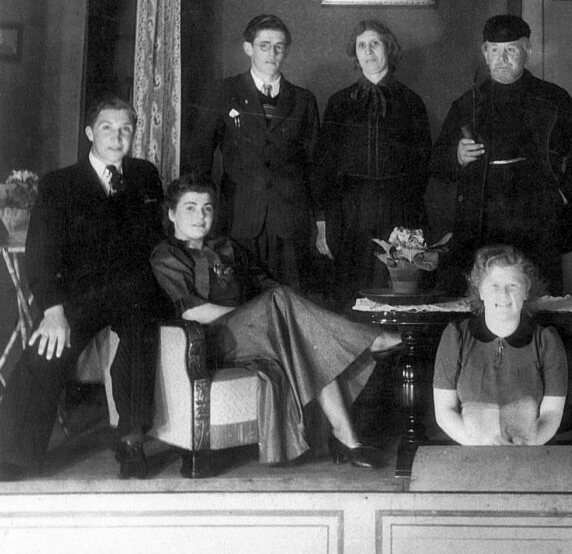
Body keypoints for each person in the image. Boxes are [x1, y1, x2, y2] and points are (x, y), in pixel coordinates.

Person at [150, 174, 402, 468]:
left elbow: (266, 284)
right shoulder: (166, 254)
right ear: (172, 214)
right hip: (212, 340)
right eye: (190, 208)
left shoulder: (226, 247)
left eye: (207, 208)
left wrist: (278, 315)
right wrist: (257, 314)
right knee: (281, 306)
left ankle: (348, 438)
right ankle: (372, 340)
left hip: (256, 332)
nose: (200, 216)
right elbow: (192, 312)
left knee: (304, 334)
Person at [0, 96, 168, 481]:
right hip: (79, 292)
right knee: (46, 348)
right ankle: (12, 454)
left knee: (141, 334)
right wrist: (53, 311)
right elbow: (41, 253)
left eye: (125, 129)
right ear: (90, 132)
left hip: (133, 288)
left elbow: (155, 240)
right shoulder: (60, 183)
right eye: (107, 128)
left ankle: (131, 440)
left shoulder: (145, 175)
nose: (117, 137)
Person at [430, 14, 572, 293]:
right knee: (483, 299)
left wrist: (564, 194)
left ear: (527, 49)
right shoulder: (466, 105)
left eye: (511, 49)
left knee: (538, 298)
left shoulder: (553, 99)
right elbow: (437, 165)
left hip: (536, 220)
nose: (502, 58)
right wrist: (457, 156)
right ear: (485, 53)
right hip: (482, 223)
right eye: (495, 50)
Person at [185, 14, 320, 290]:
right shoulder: (224, 91)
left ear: (286, 51)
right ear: (248, 48)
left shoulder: (303, 100)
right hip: (239, 218)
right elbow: (200, 156)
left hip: (289, 223)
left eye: (279, 47)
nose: (272, 53)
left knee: (290, 299)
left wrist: (320, 220)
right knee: (242, 298)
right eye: (264, 45)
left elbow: (315, 165)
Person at [315, 20, 431, 304]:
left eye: (375, 44)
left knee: (395, 291)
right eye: (361, 46)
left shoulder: (411, 102)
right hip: (350, 215)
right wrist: (324, 223)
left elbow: (422, 165)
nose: (368, 52)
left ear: (388, 48)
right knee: (351, 294)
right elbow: (324, 167)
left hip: (398, 210)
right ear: (355, 53)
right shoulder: (339, 103)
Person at [433, 245, 567, 446]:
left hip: (528, 450)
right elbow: (444, 411)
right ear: (480, 291)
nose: (503, 295)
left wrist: (526, 445)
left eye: (512, 285)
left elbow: (552, 414)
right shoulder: (456, 337)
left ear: (526, 291)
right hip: (471, 449)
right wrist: (479, 443)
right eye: (494, 286)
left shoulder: (547, 341)